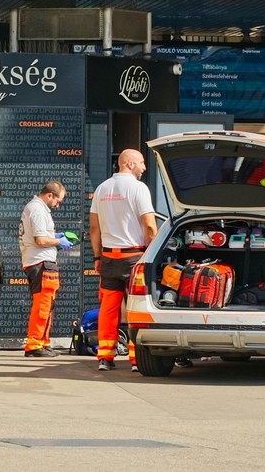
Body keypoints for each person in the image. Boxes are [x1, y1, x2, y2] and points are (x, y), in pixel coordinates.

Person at [90, 149, 157, 372]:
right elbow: (149, 225)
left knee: (108, 308)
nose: (144, 168)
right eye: (141, 163)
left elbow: (94, 228)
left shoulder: (102, 188)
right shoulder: (139, 189)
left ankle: (105, 357)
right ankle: (136, 358)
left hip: (109, 256)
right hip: (135, 257)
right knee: (135, 309)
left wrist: (97, 256)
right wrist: (153, 253)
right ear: (129, 164)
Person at [19, 181, 71, 358]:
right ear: (50, 195)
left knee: (47, 306)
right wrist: (58, 241)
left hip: (39, 262)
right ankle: (34, 345)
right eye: (58, 200)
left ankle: (43, 342)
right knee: (43, 306)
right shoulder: (38, 210)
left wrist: (54, 237)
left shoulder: (36, 208)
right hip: (41, 263)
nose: (58, 204)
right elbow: (40, 240)